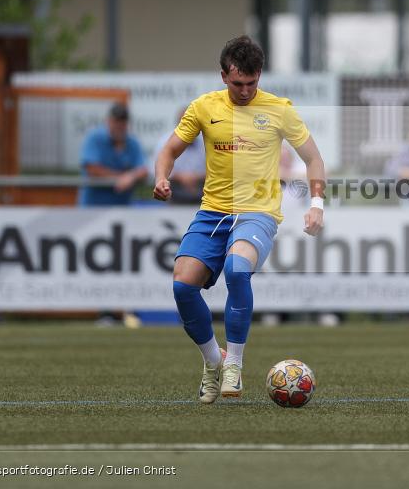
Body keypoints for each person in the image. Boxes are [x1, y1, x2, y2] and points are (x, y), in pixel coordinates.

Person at [154, 36, 325, 404]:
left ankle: (234, 363)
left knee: (236, 269)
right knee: (183, 287)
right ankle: (213, 361)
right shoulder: (204, 107)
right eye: (237, 84)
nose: (245, 91)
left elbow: (313, 159)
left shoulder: (279, 109)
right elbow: (169, 150)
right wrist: (161, 177)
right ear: (223, 76)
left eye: (251, 82)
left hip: (257, 213)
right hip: (213, 213)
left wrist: (317, 204)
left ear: (259, 75)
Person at [79, 103, 148, 206]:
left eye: (122, 122)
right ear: (108, 121)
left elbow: (144, 170)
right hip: (93, 207)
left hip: (122, 208)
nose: (119, 126)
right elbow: (92, 169)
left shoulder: (133, 142)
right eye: (116, 121)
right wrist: (122, 177)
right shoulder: (95, 138)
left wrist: (131, 176)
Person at [153, 106, 206, 204]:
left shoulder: (206, 142)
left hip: (202, 190)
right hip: (174, 189)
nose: (189, 128)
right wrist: (180, 177)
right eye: (185, 124)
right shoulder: (165, 142)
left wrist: (195, 177)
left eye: (192, 124)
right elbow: (157, 171)